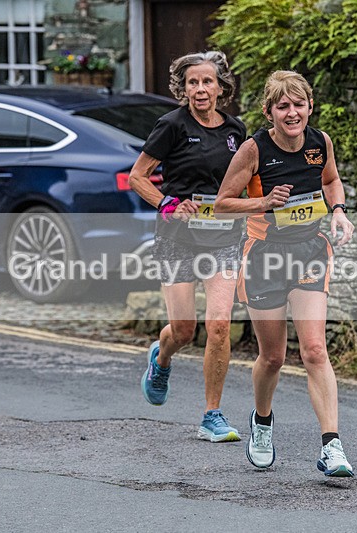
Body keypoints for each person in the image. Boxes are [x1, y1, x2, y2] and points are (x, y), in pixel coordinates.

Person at [214, 70, 355, 476]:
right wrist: (263, 204)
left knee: (314, 349)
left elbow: (331, 181)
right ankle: (261, 422)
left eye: (298, 104)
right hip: (264, 256)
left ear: (310, 106)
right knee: (273, 357)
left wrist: (340, 212)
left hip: (310, 250)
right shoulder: (253, 150)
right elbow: (223, 203)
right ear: (269, 111)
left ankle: (332, 446)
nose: (292, 113)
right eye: (283, 106)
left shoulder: (320, 142)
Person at [129, 51, 246, 442]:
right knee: (183, 330)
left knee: (218, 326)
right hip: (177, 239)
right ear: (184, 87)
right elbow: (138, 177)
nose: (200, 89)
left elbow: (246, 182)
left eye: (207, 81)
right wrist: (168, 203)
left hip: (224, 237)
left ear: (220, 86)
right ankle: (161, 359)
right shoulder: (171, 125)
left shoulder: (235, 131)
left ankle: (212, 415)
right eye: (193, 82)